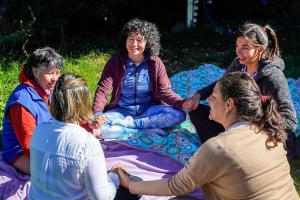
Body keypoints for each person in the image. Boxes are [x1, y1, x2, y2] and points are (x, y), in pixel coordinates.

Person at [116, 72, 300, 200]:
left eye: (213, 96)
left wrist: (131, 185)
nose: (208, 99)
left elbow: (174, 186)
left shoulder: (218, 148)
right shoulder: (269, 132)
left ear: (229, 105)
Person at [186, 23, 298, 157]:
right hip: (237, 124)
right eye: (237, 46)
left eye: (245, 47)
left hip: (258, 133)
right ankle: (217, 152)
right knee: (197, 113)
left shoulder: (273, 77)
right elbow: (222, 84)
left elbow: (290, 121)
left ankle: (231, 153)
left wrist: (255, 128)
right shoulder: (238, 64)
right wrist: (199, 94)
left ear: (260, 49)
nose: (239, 51)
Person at [92, 18, 191, 138]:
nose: (134, 44)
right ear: (125, 40)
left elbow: (164, 91)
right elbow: (103, 90)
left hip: (148, 112)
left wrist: (182, 103)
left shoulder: (155, 63)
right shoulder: (115, 62)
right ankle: (145, 131)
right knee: (97, 124)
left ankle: (130, 127)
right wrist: (97, 114)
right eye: (131, 39)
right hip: (120, 113)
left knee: (179, 115)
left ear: (147, 43)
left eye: (139, 40)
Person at [29, 73, 119, 199]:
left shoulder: (39, 130)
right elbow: (102, 197)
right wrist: (115, 177)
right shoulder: (87, 144)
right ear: (83, 104)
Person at [1, 47, 64, 174]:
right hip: (21, 154)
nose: (55, 78)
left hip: (46, 142)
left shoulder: (46, 89)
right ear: (35, 71)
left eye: (58, 73)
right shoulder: (22, 102)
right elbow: (30, 147)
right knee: (60, 172)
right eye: (50, 73)